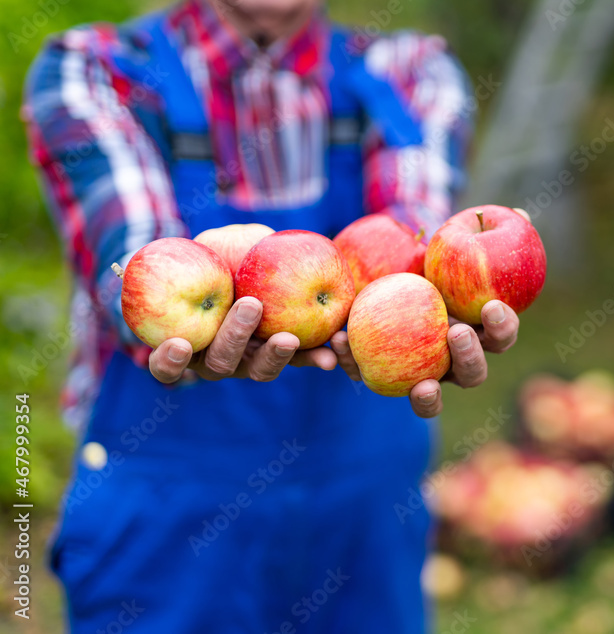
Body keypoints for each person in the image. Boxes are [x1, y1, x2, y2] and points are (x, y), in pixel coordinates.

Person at [23, 0, 519, 630]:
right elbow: (139, 265)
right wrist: (189, 328)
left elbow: (411, 247)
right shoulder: (98, 72)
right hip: (169, 532)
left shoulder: (409, 72)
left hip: (359, 530)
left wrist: (441, 305)